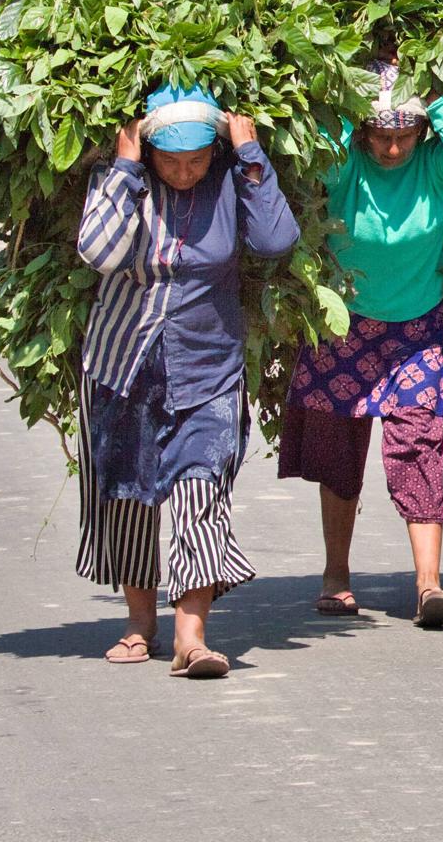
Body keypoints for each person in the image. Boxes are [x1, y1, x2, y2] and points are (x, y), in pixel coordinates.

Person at [75, 83, 301, 678]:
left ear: (215, 151)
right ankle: (137, 623)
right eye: (169, 160)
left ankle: (190, 638)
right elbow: (98, 252)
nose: (183, 172)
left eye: (196, 160)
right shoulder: (124, 179)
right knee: (128, 496)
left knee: (202, 488)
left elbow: (277, 240)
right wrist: (125, 166)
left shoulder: (231, 180)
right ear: (148, 152)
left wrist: (250, 154)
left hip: (210, 367)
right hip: (123, 365)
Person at [278, 59, 443, 628]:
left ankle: (429, 584)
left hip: (415, 329)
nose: (393, 150)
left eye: (404, 137)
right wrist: (354, 101)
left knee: (419, 441)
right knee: (339, 452)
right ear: (363, 131)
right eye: (381, 137)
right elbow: (318, 151)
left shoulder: (436, 167)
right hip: (345, 325)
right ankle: (336, 577)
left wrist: (432, 93)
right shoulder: (347, 169)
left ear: (422, 133)